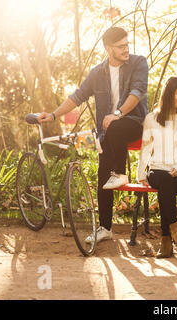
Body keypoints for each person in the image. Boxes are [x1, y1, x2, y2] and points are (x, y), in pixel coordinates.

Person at [37, 27, 149, 243]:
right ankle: (105, 228)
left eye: (127, 44)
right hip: (108, 130)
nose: (126, 49)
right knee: (102, 177)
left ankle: (121, 173)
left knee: (115, 127)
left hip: (133, 123)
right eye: (120, 46)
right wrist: (53, 115)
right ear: (108, 49)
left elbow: (137, 92)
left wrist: (117, 113)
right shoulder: (98, 73)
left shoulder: (138, 63)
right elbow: (77, 96)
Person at [137, 77, 177, 258]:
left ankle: (166, 240)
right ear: (169, 93)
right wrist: (141, 174)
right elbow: (146, 147)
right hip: (157, 170)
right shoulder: (152, 118)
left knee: (167, 185)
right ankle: (174, 227)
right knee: (164, 180)